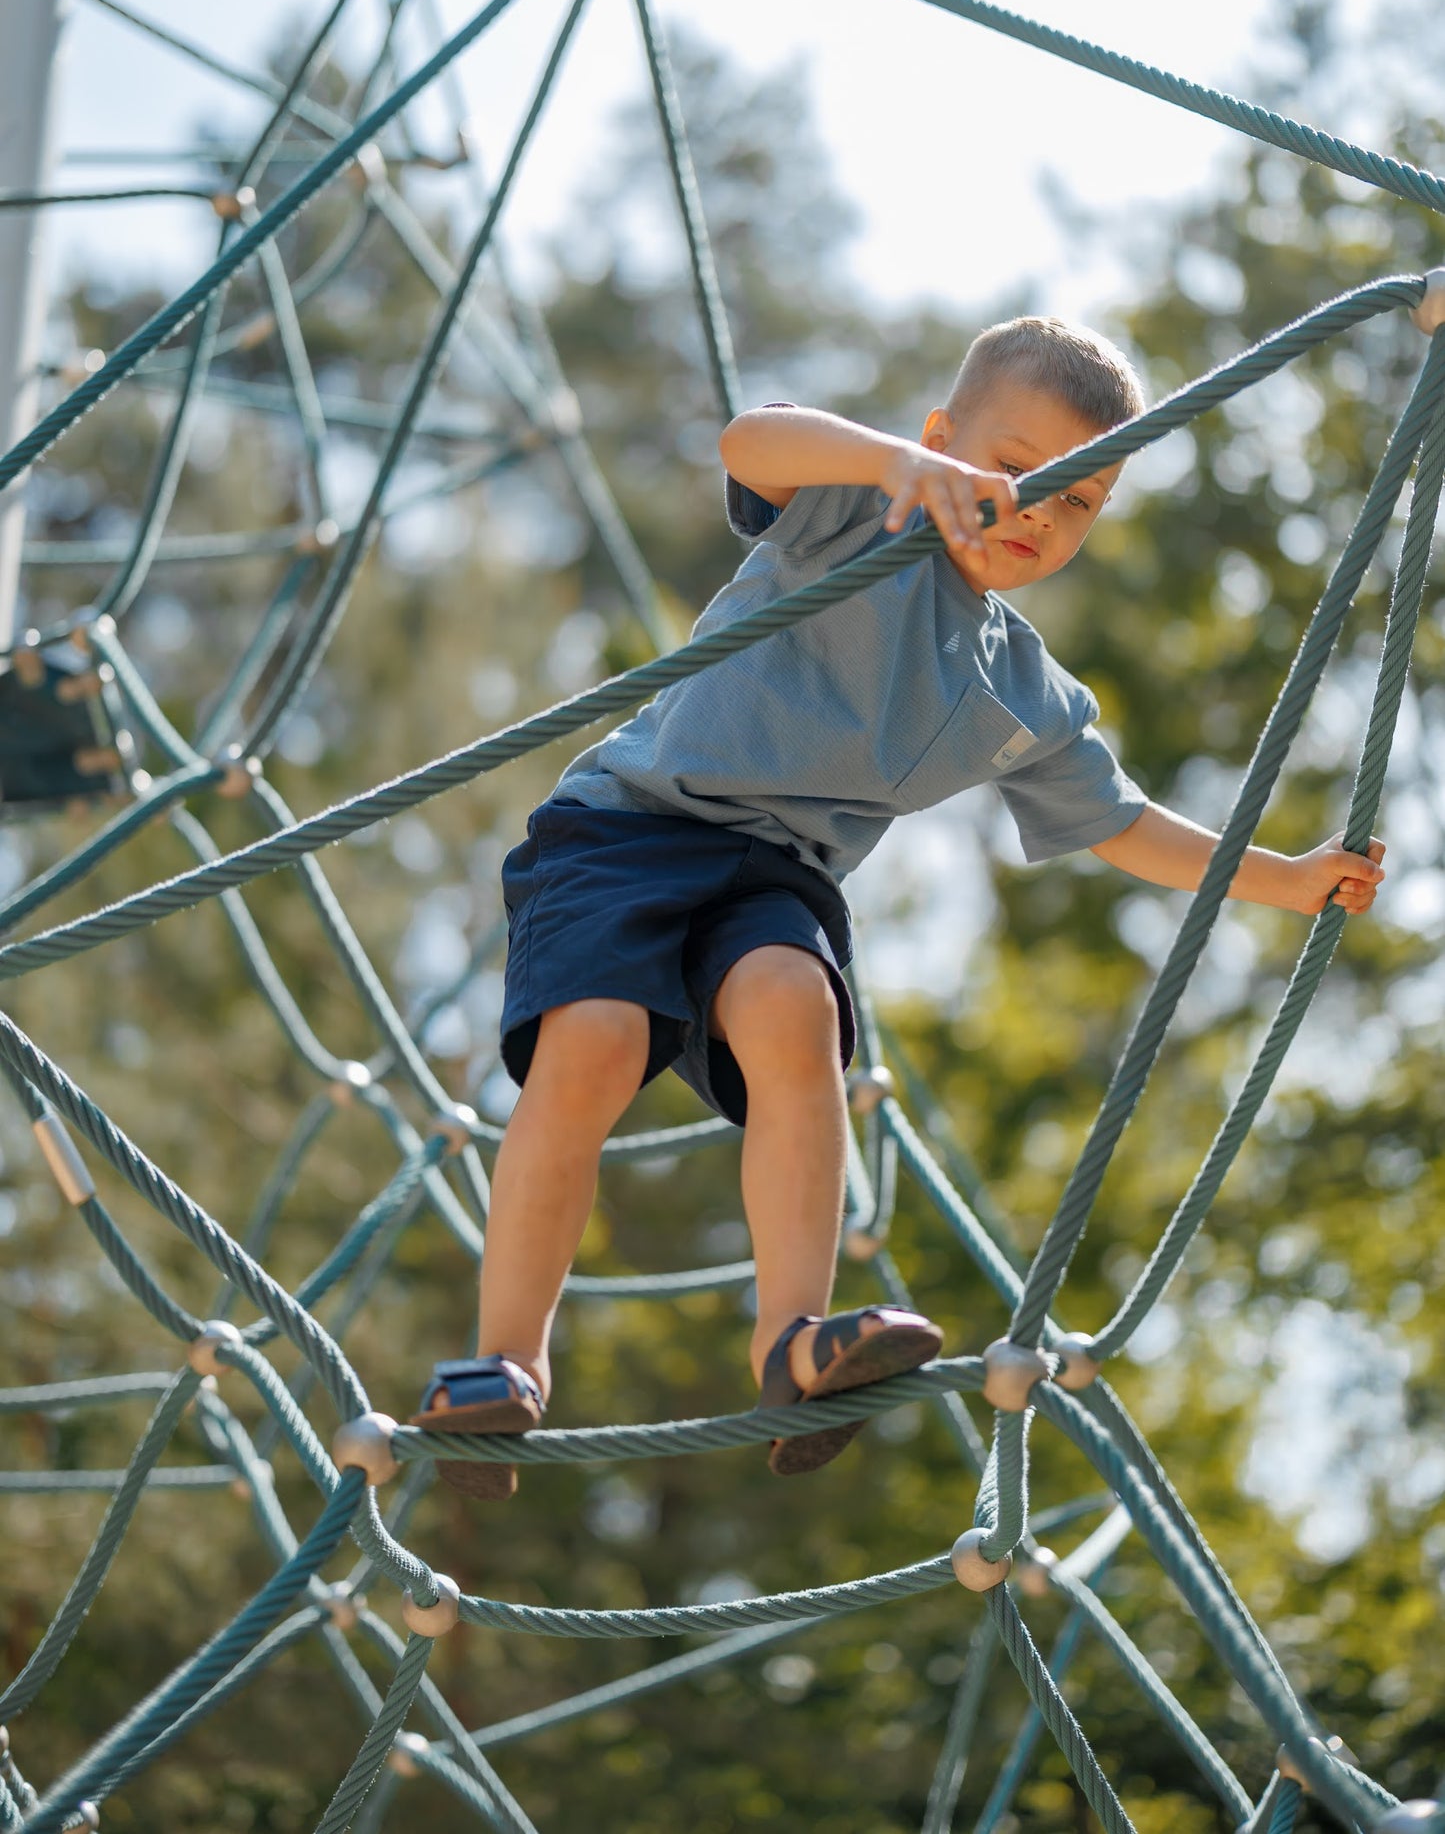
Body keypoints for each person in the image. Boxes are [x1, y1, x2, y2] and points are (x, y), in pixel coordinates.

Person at [416, 316, 1386, 1497]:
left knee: (791, 1006)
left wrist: (1283, 874)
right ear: (942, 440)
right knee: (597, 1041)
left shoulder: (1021, 689)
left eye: (1077, 502)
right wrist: (891, 467)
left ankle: (794, 1341)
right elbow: (750, 437)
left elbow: (1122, 821)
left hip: (772, 872)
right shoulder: (859, 513)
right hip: (628, 827)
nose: (1034, 510)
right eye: (1013, 468)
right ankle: (506, 1361)